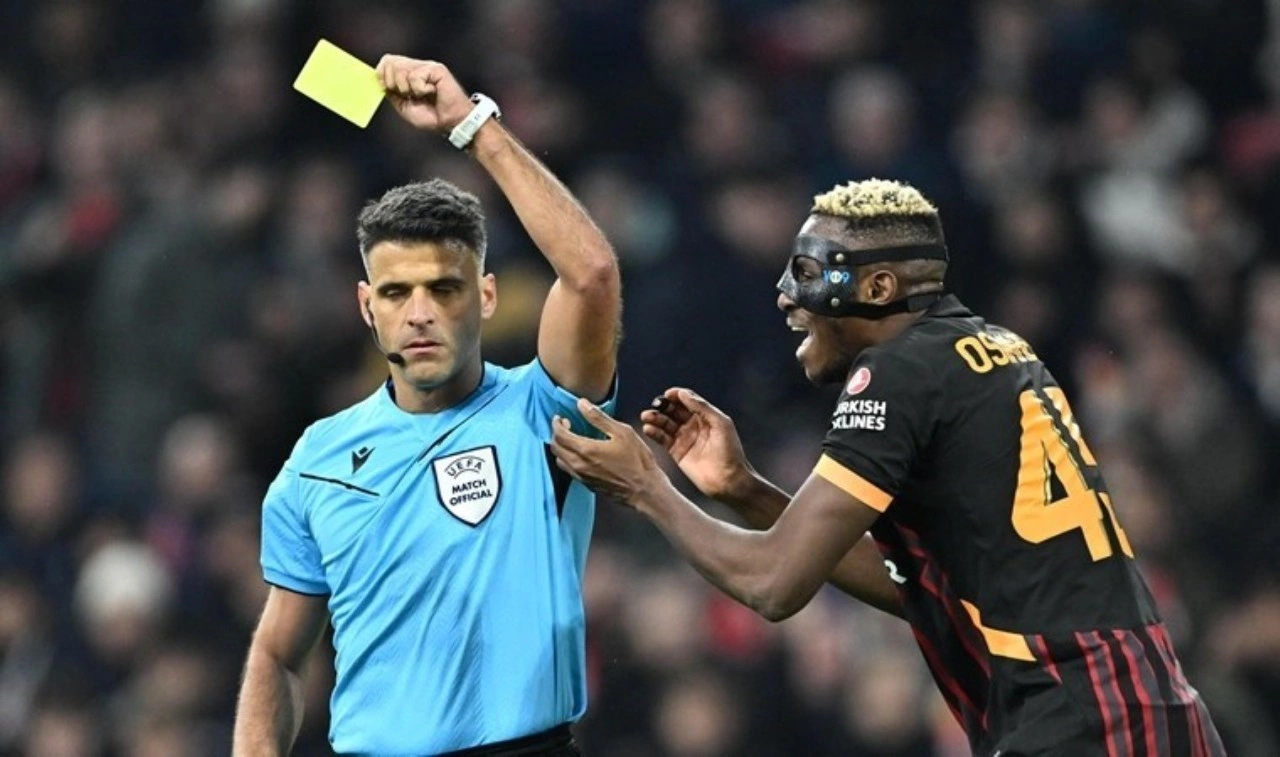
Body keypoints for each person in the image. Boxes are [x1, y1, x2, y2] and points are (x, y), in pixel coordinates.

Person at [549, 179, 1225, 756]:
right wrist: (744, 490)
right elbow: (924, 588)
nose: (786, 296)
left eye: (810, 271)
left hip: (1078, 724)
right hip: (1145, 710)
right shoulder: (992, 349)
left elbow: (773, 585)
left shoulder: (895, 372)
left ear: (877, 286)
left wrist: (646, 486)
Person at [233, 54, 620, 756]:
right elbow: (280, 654)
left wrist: (471, 125)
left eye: (444, 288)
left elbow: (591, 275)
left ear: (487, 296)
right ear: (366, 306)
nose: (420, 313)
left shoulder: (543, 411)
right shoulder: (318, 458)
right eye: (395, 293)